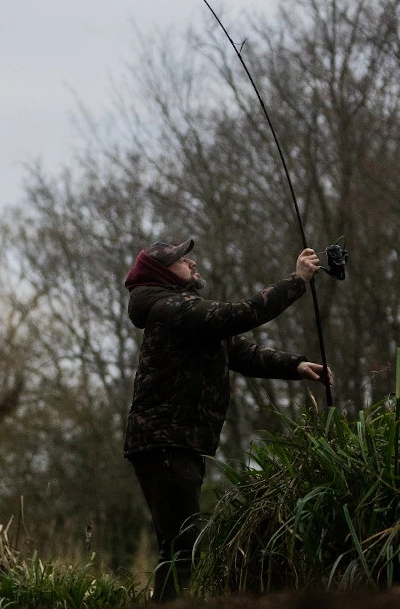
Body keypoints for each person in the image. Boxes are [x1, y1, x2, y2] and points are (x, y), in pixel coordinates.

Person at [123, 238, 330, 601]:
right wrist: (297, 280)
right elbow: (242, 313)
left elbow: (239, 351)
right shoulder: (172, 309)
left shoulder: (184, 315)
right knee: (181, 550)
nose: (191, 262)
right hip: (167, 445)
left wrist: (295, 366)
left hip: (176, 445)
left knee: (177, 547)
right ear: (162, 272)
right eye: (181, 260)